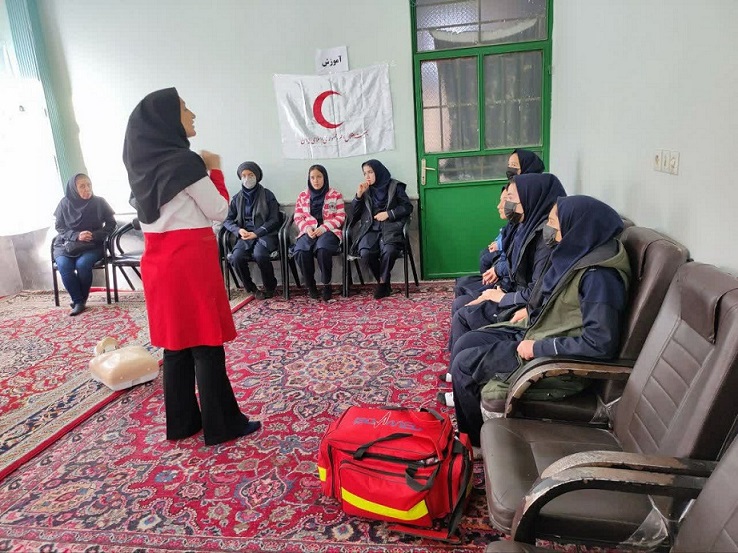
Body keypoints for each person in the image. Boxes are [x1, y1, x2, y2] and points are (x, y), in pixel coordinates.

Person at [122, 87, 260, 446]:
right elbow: (220, 211)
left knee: (176, 344)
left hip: (158, 263)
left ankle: (183, 424)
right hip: (189, 262)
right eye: (185, 108)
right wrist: (215, 169)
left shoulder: (141, 168)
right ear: (167, 119)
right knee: (206, 343)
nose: (192, 114)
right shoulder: (185, 163)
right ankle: (222, 425)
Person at [450, 195, 631, 448]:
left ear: (576, 227)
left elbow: (600, 344)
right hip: (540, 331)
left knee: (464, 366)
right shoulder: (579, 255)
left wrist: (537, 348)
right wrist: (528, 311)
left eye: (554, 222)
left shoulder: (599, 278)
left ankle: (475, 444)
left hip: (558, 363)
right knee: (467, 342)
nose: (549, 228)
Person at [453, 149, 545, 300]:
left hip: (516, 289)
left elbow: (522, 267)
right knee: (466, 281)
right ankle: (489, 284)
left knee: (465, 301)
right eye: (509, 165)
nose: (510, 169)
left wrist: (499, 273)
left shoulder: (536, 218)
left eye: (514, 165)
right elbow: (510, 234)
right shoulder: (519, 206)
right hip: (511, 280)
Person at [53, 173, 116, 316]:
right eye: (82, 186)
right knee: (64, 265)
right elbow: (59, 227)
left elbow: (111, 224)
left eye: (89, 185)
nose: (87, 189)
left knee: (82, 264)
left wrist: (95, 235)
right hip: (67, 244)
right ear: (73, 189)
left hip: (92, 244)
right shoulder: (64, 203)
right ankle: (79, 301)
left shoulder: (99, 202)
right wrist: (76, 235)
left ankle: (79, 302)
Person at [350, 159, 413, 299]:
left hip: (391, 227)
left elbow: (407, 207)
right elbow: (354, 215)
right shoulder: (366, 190)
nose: (367, 176)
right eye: (365, 173)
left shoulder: (395, 186)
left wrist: (389, 214)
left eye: (370, 172)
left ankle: (383, 283)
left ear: (378, 171)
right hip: (370, 228)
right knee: (365, 253)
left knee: (389, 251)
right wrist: (358, 195)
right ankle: (384, 282)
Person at [222, 161, 281, 299]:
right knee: (236, 257)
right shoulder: (237, 198)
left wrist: (257, 233)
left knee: (260, 255)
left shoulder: (267, 195)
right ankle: (251, 288)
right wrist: (238, 230)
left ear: (257, 176)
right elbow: (227, 220)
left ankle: (270, 286)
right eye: (244, 175)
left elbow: (274, 219)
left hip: (265, 234)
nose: (247, 178)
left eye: (251, 175)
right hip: (245, 235)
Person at [292, 164, 345, 300]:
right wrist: (307, 228)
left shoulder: (335, 195)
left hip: (329, 231)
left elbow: (340, 217)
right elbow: (298, 217)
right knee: (301, 251)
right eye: (312, 177)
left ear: (325, 178)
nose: (316, 181)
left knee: (323, 249)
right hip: (309, 231)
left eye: (319, 177)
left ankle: (327, 285)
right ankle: (311, 286)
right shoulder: (303, 195)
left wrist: (324, 227)